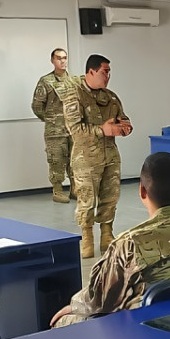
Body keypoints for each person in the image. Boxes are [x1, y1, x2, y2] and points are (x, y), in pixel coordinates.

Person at [51, 153, 170, 326]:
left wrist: (73, 306)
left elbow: (100, 302)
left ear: (142, 191)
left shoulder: (130, 243)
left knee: (61, 322)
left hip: (151, 331)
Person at [63, 54, 131, 258]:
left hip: (110, 156)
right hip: (86, 158)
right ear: (91, 71)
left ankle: (107, 234)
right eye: (104, 72)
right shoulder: (74, 95)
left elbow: (123, 118)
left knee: (110, 197)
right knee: (86, 200)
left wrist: (125, 127)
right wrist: (102, 130)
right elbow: (74, 129)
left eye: (109, 72)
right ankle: (87, 238)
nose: (108, 76)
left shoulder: (110, 96)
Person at [31, 47, 78, 202]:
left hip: (72, 129)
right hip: (55, 131)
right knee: (56, 160)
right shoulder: (46, 81)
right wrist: (51, 119)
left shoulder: (73, 81)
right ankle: (57, 191)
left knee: (74, 160)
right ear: (52, 60)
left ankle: (74, 189)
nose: (62, 61)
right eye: (58, 58)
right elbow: (37, 106)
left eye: (64, 58)